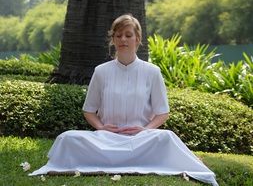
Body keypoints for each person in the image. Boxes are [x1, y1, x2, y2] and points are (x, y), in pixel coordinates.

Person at [30, 14, 218, 186]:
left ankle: (132, 157)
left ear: (138, 39)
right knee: (67, 137)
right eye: (118, 35)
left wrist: (145, 130)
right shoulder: (101, 71)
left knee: (167, 137)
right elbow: (89, 111)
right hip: (105, 141)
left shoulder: (152, 72)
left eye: (128, 35)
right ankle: (123, 159)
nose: (123, 40)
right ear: (112, 40)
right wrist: (101, 128)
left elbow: (162, 112)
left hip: (141, 141)